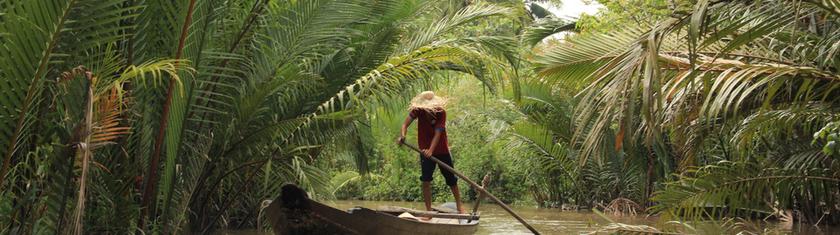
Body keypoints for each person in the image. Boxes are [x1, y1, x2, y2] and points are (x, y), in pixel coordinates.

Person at [397, 91, 464, 214]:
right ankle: (428, 211)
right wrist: (402, 136)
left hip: (442, 150)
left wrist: (431, 150)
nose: (429, 110)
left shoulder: (441, 112)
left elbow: (438, 133)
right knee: (426, 181)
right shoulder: (418, 111)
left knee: (451, 180)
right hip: (424, 150)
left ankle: (460, 207)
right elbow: (405, 124)